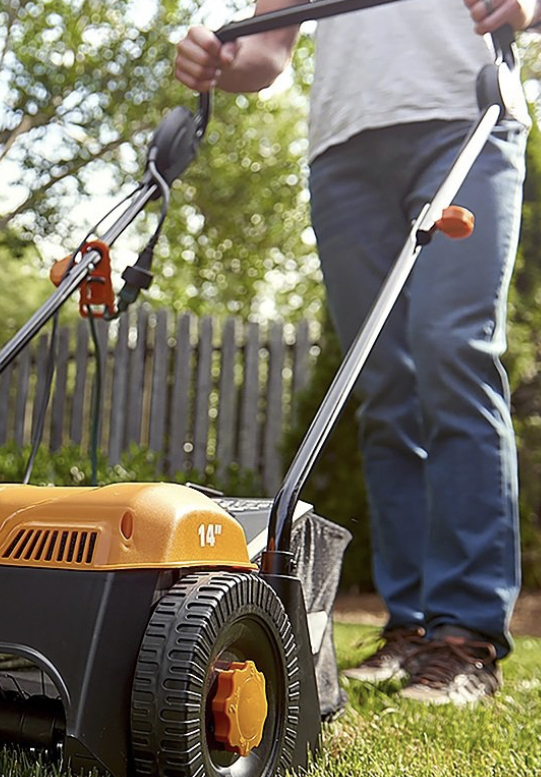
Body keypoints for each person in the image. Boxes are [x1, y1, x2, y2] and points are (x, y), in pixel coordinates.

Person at [176, 0, 539, 704]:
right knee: (382, 386)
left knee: (453, 353)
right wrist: (221, 60)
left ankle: (465, 634)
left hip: (464, 116)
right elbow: (267, 52)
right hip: (343, 150)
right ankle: (409, 625)